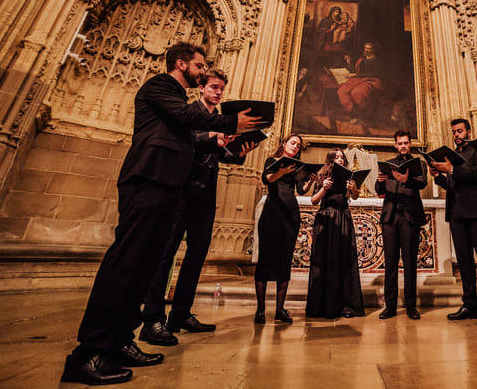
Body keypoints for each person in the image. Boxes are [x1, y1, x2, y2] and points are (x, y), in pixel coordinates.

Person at [61, 42, 261, 386]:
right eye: (200, 66)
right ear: (181, 63)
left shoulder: (177, 101)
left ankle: (122, 340)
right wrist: (232, 121)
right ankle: (89, 353)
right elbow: (186, 118)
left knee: (143, 268)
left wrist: (224, 141)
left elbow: (188, 139)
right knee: (124, 265)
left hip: (169, 187)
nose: (202, 72)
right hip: (147, 182)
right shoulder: (160, 87)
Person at [139, 69, 257, 346]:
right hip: (181, 190)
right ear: (201, 88)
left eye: (221, 89)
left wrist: (238, 152)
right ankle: (152, 319)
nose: (218, 92)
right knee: (165, 255)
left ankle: (180, 314)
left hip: (205, 195)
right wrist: (211, 138)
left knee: (197, 255)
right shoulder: (188, 112)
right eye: (214, 87)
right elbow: (184, 142)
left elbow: (220, 153)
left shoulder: (216, 119)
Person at [429, 118, 477, 327]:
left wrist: (451, 170)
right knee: (464, 262)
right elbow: (452, 184)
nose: (456, 135)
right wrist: (438, 176)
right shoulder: (453, 155)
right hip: (457, 214)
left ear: (469, 131)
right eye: (454, 132)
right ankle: (470, 305)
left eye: (460, 131)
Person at [255, 134, 314, 324]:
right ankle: (261, 310)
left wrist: (310, 180)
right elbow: (268, 180)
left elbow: (300, 190)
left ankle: (280, 309)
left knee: (284, 261)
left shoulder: (296, 166)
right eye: (293, 143)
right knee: (265, 260)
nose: (296, 147)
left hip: (290, 216)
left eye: (298, 145)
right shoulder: (272, 160)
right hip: (272, 214)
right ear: (284, 144)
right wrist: (283, 171)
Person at [305, 148, 365, 319]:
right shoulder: (322, 176)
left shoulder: (349, 177)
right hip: (326, 219)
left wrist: (353, 188)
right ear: (330, 160)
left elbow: (355, 197)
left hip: (343, 218)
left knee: (343, 261)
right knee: (324, 260)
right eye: (336, 157)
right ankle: (322, 306)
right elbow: (314, 200)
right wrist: (323, 188)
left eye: (342, 157)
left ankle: (346, 306)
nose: (340, 159)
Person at [375, 130, 427, 320]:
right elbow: (379, 189)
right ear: (395, 145)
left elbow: (423, 183)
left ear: (410, 144)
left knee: (410, 262)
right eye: (400, 143)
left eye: (406, 143)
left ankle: (411, 306)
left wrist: (408, 181)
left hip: (409, 217)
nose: (403, 146)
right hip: (390, 216)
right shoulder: (389, 164)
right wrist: (380, 182)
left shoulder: (418, 163)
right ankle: (390, 307)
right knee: (390, 264)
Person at [337, 41, 383, 119]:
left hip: (370, 80)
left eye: (368, 49)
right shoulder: (362, 60)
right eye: (365, 48)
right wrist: (348, 62)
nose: (366, 50)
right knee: (342, 91)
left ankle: (362, 113)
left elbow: (373, 74)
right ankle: (353, 111)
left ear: (373, 50)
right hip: (358, 79)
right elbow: (355, 70)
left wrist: (356, 75)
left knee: (357, 93)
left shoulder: (377, 61)